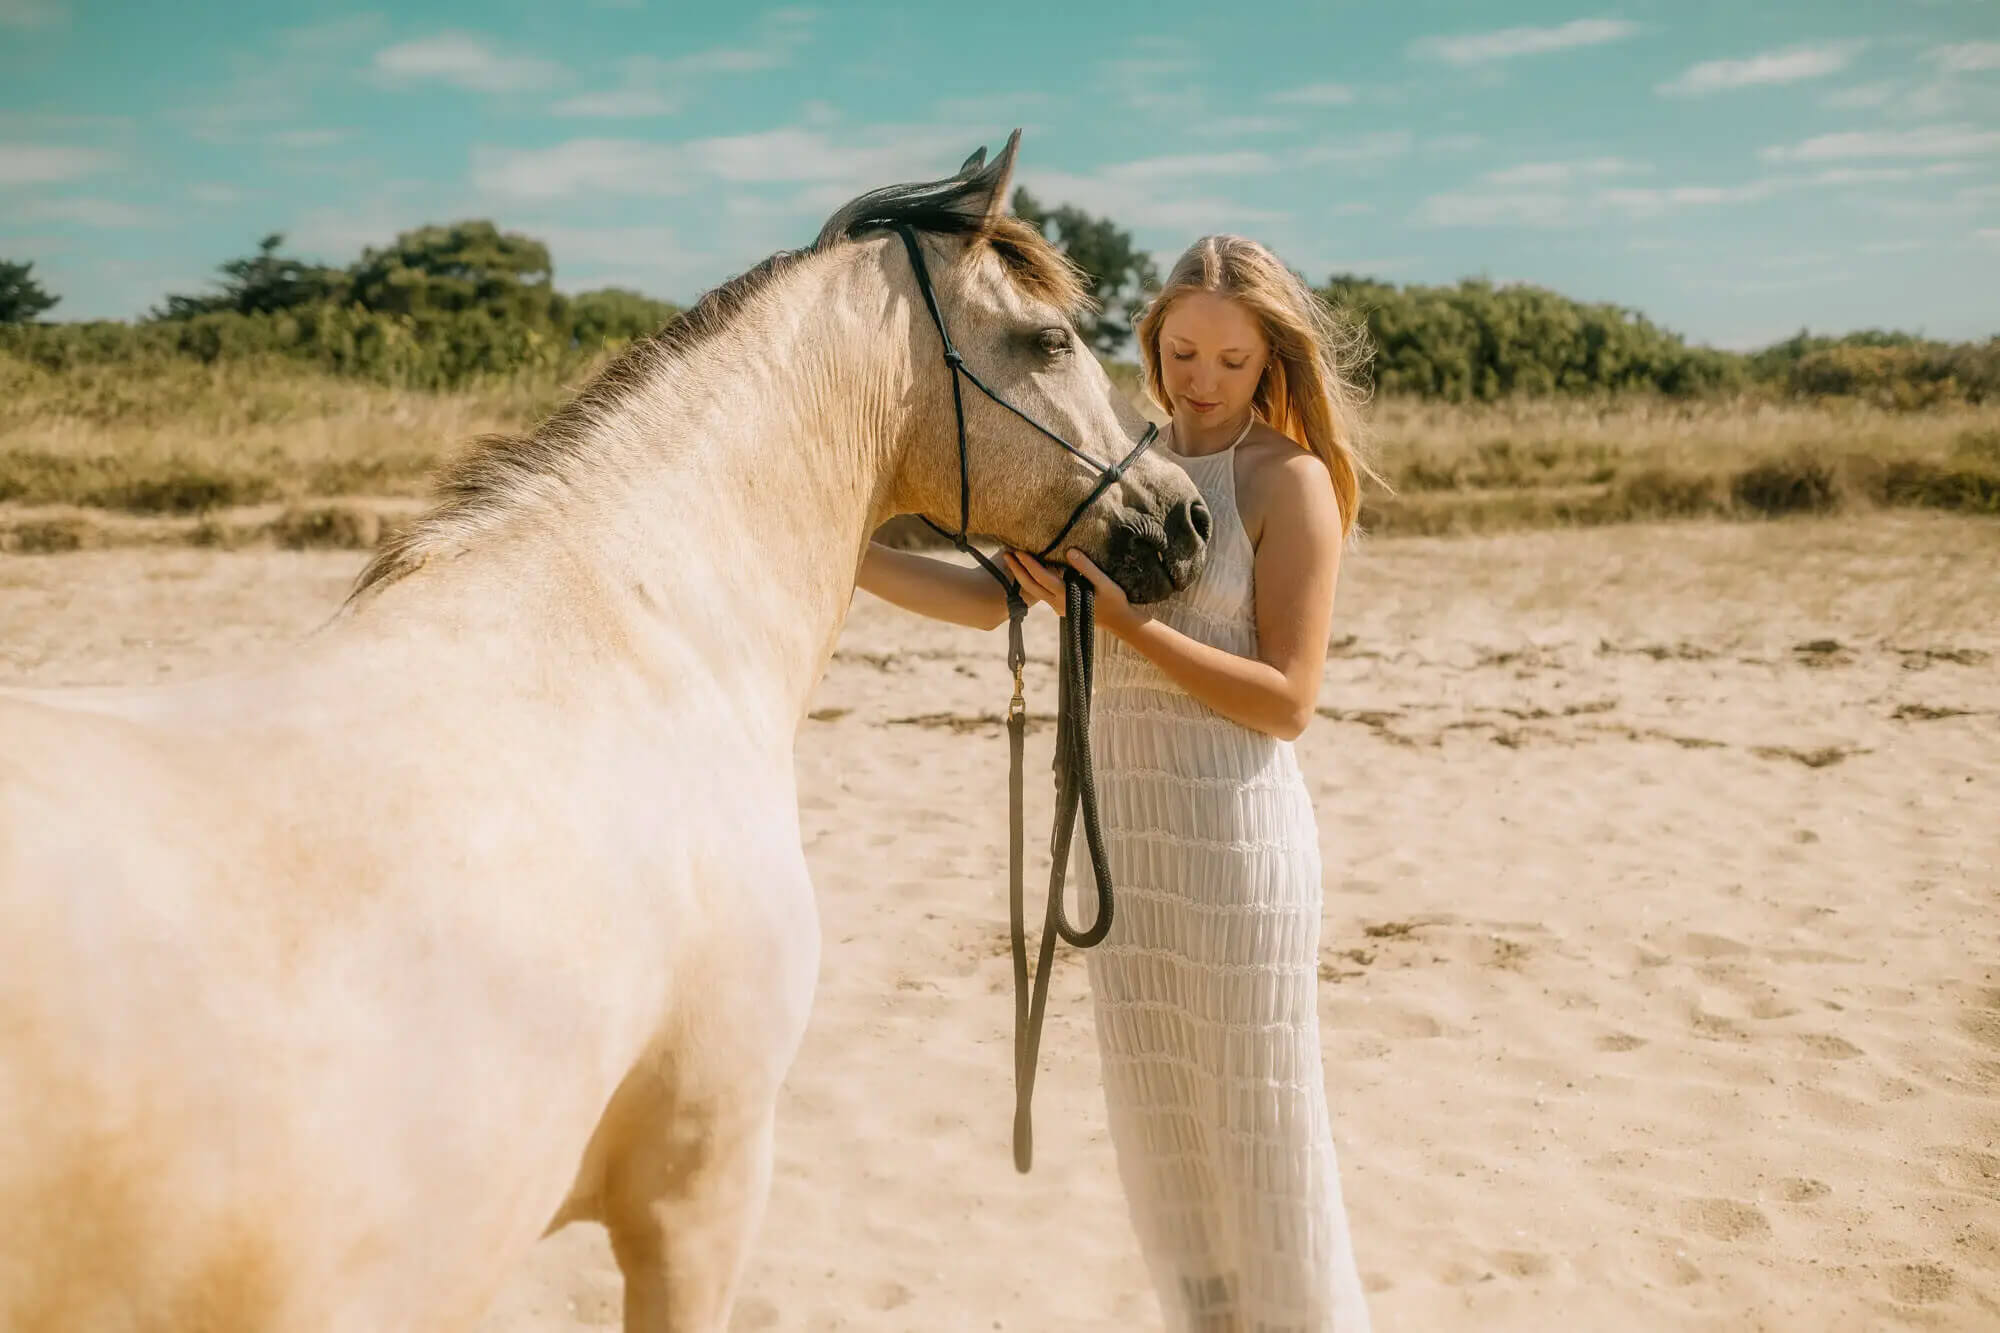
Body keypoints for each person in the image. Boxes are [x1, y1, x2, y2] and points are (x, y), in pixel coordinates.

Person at [858, 233, 1376, 1331]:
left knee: (1265, 1144)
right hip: (1121, 848)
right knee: (1163, 1145)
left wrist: (1127, 629)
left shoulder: (1287, 482)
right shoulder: (1112, 462)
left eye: (1230, 362)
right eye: (1182, 352)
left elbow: (1287, 699)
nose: (1200, 380)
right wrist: (843, 552)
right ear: (1151, 341)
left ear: (1269, 358)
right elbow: (990, 596)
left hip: (1235, 849)